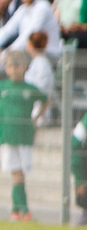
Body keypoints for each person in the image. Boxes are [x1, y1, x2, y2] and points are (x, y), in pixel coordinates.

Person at [0, 49, 46, 220]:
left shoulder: (29, 89)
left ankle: (16, 210)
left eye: (17, 66)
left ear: (25, 67)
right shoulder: (2, 87)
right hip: (7, 136)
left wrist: (36, 117)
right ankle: (24, 210)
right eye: (10, 66)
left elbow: (45, 99)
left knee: (20, 174)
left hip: (24, 136)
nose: (13, 70)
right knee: (16, 173)